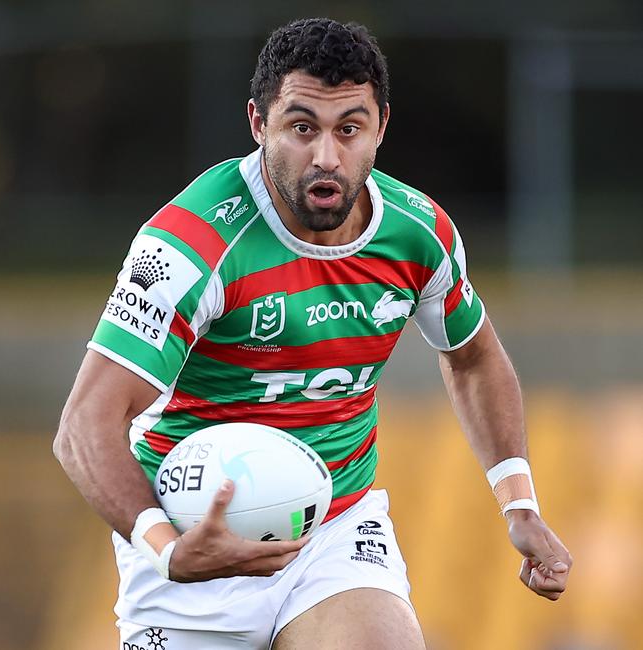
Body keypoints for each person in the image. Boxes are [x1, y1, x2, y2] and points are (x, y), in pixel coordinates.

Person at [54, 17, 572, 650]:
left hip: (335, 529)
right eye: (302, 128)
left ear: (381, 127)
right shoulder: (193, 243)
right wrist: (167, 548)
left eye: (348, 129)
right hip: (194, 536)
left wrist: (518, 503)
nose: (327, 155)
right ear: (258, 124)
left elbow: (473, 360)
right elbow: (84, 425)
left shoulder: (417, 234)